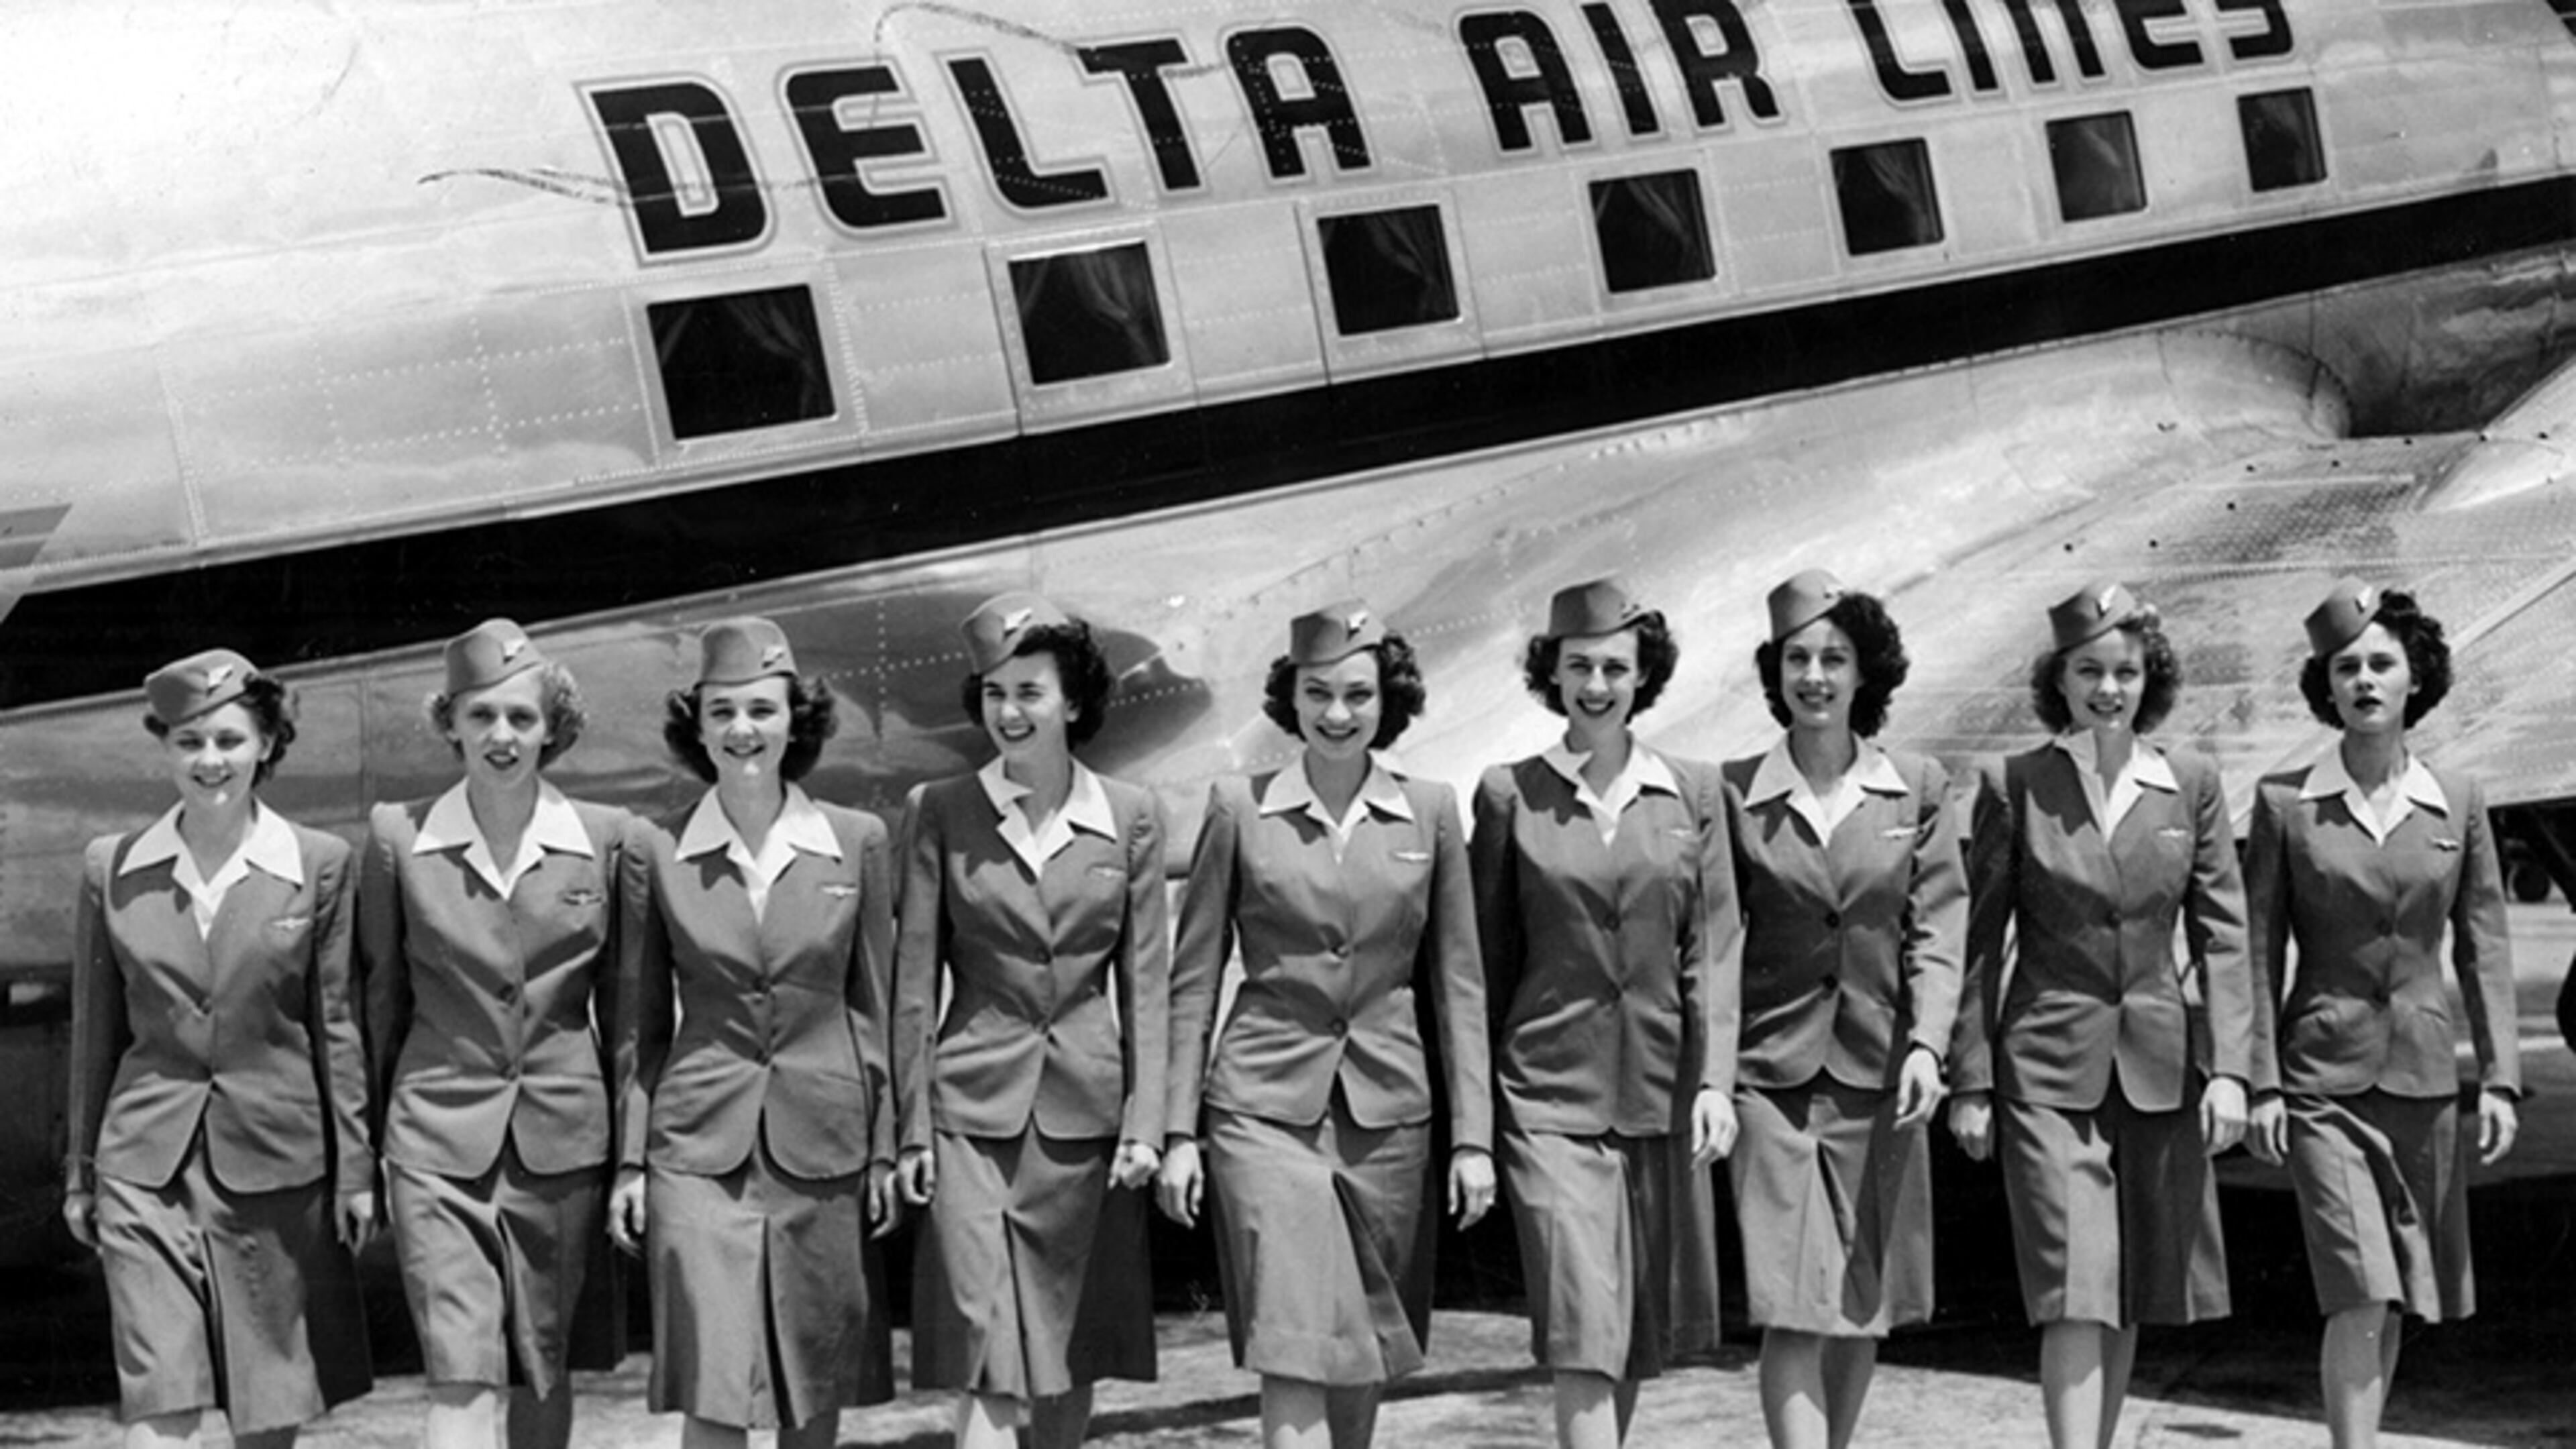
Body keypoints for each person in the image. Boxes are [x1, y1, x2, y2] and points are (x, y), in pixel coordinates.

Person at [1159, 600, 1495, 1449]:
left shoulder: (1431, 811)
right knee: (1298, 1342)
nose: (1337, 714)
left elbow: (1458, 984)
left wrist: (1474, 1141)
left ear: (1389, 702)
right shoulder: (1240, 807)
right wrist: (1176, 1131)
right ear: (1291, 699)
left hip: (1388, 1117)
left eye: (1357, 694)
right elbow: (1192, 979)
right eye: (1318, 693)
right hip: (1263, 1111)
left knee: (1364, 1348)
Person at [1947, 580, 2252, 1449]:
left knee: (2129, 1294)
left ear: (2148, 677)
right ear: (2061, 679)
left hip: (2158, 1066)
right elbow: (1978, 941)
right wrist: (1971, 1081)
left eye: (2125, 671)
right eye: (2090, 671)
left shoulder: (2190, 784)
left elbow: (2225, 935)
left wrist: (2230, 1068)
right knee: (2075, 1286)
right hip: (2046, 1071)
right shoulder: (2014, 784)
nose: (2108, 689)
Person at [64, 649, 374, 1449]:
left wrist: (356, 1172)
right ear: (163, 748)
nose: (211, 761)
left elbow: (336, 1025)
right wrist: (80, 1176)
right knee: (159, 1395)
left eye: (231, 740)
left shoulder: (319, 864)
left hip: (276, 1162)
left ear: (267, 744)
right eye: (188, 742)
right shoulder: (114, 867)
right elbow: (96, 1033)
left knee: (268, 1409)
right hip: (144, 1164)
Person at [2243, 580, 2520, 1448]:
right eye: (2345, 666)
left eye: (2381, 664)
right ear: (2326, 686)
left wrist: (2503, 1079)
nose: (2363, 679)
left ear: (2415, 679)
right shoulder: (2285, 803)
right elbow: (2253, 953)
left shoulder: (2460, 800)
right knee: (2360, 1284)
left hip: (2423, 1079)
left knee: (2400, 1288)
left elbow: (2485, 946)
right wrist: (2257, 1083)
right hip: (2321, 1078)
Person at [610, 618, 898, 1449]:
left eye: (763, 711)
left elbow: (874, 1009)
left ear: (794, 721)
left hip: (825, 1144)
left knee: (813, 1388)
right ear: (696, 727)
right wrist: (633, 1160)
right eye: (723, 712)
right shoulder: (654, 848)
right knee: (715, 1383)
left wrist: (881, 1147)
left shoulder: (857, 841)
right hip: (698, 1148)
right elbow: (637, 1025)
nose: (743, 731)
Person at [892, 594, 1169, 1449]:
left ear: (1074, 701)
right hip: (971, 1112)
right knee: (985, 1344)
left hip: (1086, 1120)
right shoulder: (939, 809)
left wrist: (1147, 1121)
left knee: (1068, 1347)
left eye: (1029, 692)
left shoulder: (1131, 817)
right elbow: (912, 986)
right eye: (994, 692)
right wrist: (910, 1131)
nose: (1008, 712)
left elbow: (1146, 983)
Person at [1468, 579, 1734, 1449]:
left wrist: (1714, 1083)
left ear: (1642, 675)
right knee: (1585, 1321)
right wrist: (1480, 1119)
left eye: (1615, 667)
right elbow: (1482, 966)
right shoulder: (1510, 794)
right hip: (1547, 1100)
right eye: (1578, 665)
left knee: (1629, 1335)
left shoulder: (1693, 793)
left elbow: (1713, 951)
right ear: (1551, 672)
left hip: (1658, 1097)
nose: (1596, 684)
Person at [358, 620, 629, 1449]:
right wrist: (363, 1149)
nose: (501, 737)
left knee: (541, 1365)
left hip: (563, 1140)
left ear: (554, 726)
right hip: (435, 1139)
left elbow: (627, 1021)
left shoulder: (610, 839)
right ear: (450, 724)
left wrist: (634, 1159)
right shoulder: (397, 838)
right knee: (461, 1364)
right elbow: (376, 1005)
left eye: (521, 717)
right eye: (480, 717)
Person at [1724, 570, 1963, 1449]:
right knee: (1792, 1307)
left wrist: (1929, 1047)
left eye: (1834, 658)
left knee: (1863, 1305)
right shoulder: (1735, 792)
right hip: (1771, 1080)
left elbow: (1937, 934)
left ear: (1868, 673)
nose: (1815, 677)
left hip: (1880, 1074)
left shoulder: (1919, 787)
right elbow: (1717, 948)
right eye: (1798, 659)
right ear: (1775, 672)